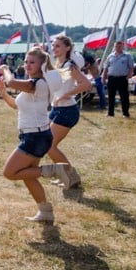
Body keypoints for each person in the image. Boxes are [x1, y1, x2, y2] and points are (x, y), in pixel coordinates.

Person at [0, 48, 71, 224]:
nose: (27, 65)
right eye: (26, 62)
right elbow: (16, 105)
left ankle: (54, 170)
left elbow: (12, 81)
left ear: (42, 65)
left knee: (10, 172)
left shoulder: (38, 84)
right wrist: (3, 93)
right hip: (34, 136)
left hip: (35, 137)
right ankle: (45, 212)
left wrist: (5, 68)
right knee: (28, 176)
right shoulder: (32, 84)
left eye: (32, 62)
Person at [45, 36, 94, 189]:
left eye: (58, 46)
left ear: (67, 48)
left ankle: (71, 177)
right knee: (45, 143)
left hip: (67, 110)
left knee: (49, 146)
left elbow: (86, 84)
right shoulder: (56, 64)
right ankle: (64, 176)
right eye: (53, 46)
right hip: (56, 108)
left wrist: (67, 95)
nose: (54, 48)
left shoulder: (69, 65)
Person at [103, 40, 135, 118]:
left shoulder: (127, 56)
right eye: (116, 46)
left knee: (124, 96)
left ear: (122, 46)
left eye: (119, 46)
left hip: (122, 78)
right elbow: (106, 67)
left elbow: (131, 67)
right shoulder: (110, 56)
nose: (117, 48)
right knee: (111, 96)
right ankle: (110, 113)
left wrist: (128, 76)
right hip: (111, 78)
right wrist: (103, 77)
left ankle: (125, 113)